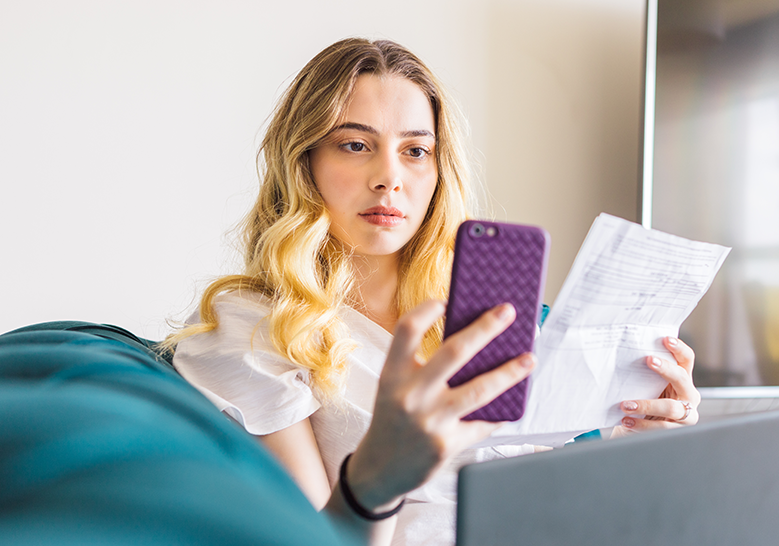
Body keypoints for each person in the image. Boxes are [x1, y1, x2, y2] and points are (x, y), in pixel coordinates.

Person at [167, 37, 700, 546]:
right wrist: (380, 472)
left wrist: (633, 442)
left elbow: (562, 496)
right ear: (304, 163)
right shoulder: (251, 327)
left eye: (416, 150)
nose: (389, 177)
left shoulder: (485, 318)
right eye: (355, 145)